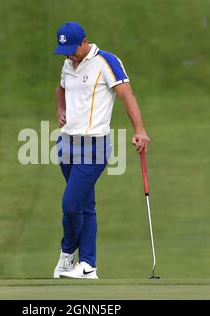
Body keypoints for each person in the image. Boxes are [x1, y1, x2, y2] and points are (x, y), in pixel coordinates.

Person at [53, 22, 151, 279]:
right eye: (64, 50)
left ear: (84, 41)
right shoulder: (68, 64)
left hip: (93, 146)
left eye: (72, 49)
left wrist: (139, 129)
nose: (68, 55)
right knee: (85, 206)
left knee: (71, 205)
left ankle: (66, 253)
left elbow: (126, 95)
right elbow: (61, 87)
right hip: (66, 144)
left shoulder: (105, 61)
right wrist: (60, 110)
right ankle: (87, 266)